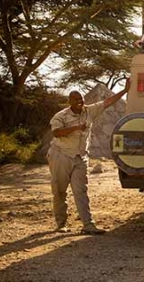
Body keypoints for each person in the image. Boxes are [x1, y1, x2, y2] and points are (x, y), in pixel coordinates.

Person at [48, 79, 131, 234]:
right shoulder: (61, 116)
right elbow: (56, 133)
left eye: (81, 99)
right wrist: (76, 127)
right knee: (60, 191)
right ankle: (61, 223)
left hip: (80, 157)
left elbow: (107, 102)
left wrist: (125, 91)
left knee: (81, 191)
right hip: (61, 155)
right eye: (75, 100)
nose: (79, 102)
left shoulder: (89, 111)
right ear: (69, 102)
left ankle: (88, 224)